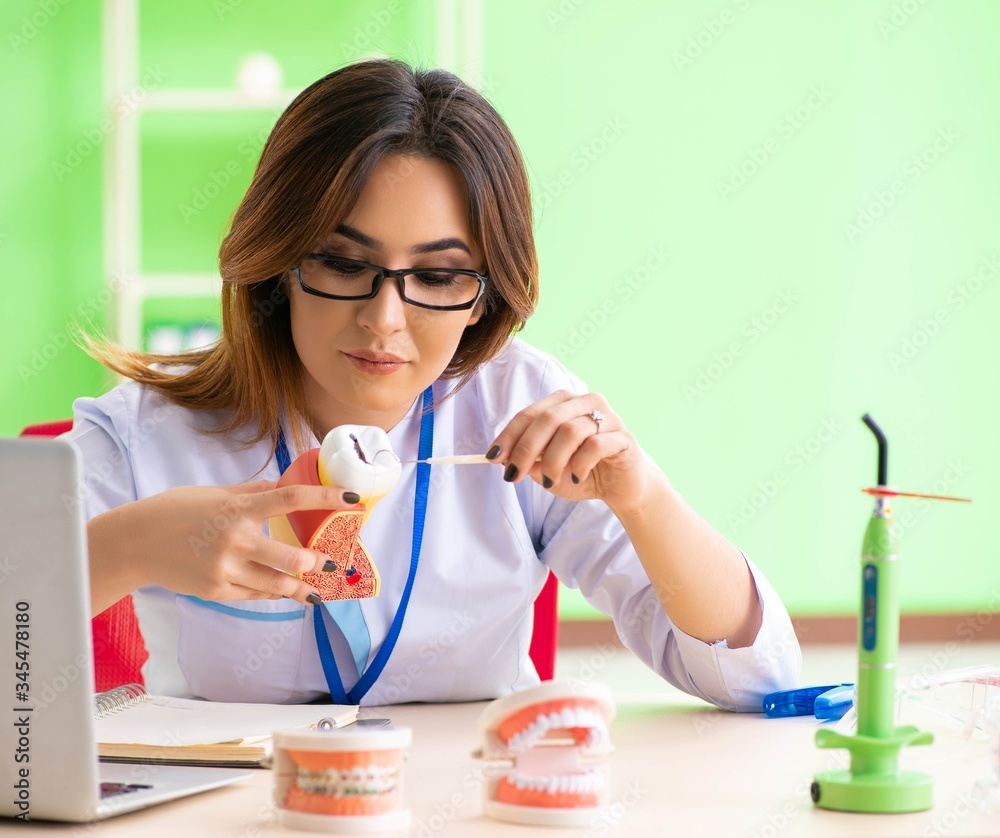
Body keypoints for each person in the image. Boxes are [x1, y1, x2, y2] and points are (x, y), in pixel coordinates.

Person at [66, 59, 800, 708]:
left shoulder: (521, 412)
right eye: (344, 265)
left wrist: (641, 495)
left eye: (439, 275)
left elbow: (760, 678)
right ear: (278, 268)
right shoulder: (143, 433)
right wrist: (130, 547)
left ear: (484, 293)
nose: (384, 321)